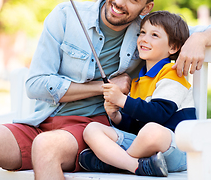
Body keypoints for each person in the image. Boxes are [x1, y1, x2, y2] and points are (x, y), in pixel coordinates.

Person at [0, 0, 211, 180]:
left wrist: (199, 39)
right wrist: (103, 87)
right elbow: (35, 84)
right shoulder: (65, 15)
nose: (119, 1)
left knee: (46, 147)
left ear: (146, 8)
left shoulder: (147, 32)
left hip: (91, 129)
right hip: (42, 120)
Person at [79, 11, 194, 177]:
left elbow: (158, 114)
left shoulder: (172, 72)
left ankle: (115, 162)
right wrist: (116, 115)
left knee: (152, 130)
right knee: (92, 129)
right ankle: (133, 165)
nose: (144, 39)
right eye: (142, 32)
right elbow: (134, 126)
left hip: (177, 149)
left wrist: (123, 100)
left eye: (154, 35)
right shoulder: (138, 81)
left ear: (173, 47)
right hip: (145, 151)